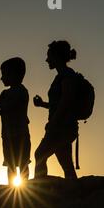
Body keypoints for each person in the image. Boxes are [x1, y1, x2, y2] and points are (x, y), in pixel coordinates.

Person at [33, 40, 78, 179]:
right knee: (66, 164)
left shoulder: (67, 75)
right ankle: (76, 193)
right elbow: (59, 104)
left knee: (40, 155)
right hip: (63, 127)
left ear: (56, 56)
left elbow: (66, 101)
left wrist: (53, 123)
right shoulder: (62, 76)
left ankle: (40, 192)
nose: (46, 60)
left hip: (61, 128)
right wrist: (42, 104)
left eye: (49, 56)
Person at [0, 57, 31, 185]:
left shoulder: (22, 91)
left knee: (23, 163)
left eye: (4, 74)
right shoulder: (4, 93)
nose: (1, 78)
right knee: (10, 163)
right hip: (7, 135)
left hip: (21, 134)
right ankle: (12, 187)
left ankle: (25, 187)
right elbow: (0, 108)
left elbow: (11, 108)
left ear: (15, 74)